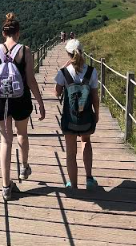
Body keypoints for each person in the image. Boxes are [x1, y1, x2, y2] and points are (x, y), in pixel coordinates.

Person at [0, 13, 46, 200]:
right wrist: (40, 102)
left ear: (3, 33)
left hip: (0, 102)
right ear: (18, 33)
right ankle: (24, 167)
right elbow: (30, 80)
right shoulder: (25, 51)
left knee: (6, 141)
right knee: (22, 133)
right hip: (20, 100)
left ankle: (6, 187)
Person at [54, 39, 99, 190]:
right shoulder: (92, 72)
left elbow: (56, 93)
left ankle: (73, 185)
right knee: (86, 142)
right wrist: (96, 114)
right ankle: (89, 179)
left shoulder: (64, 72)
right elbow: (95, 97)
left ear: (68, 54)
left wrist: (62, 69)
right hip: (86, 117)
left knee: (70, 151)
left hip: (69, 118)